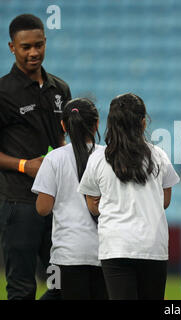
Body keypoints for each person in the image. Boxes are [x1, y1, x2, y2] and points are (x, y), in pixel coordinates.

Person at [78, 93, 180, 300]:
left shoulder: (98, 158)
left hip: (116, 247)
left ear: (111, 124)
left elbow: (92, 205)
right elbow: (165, 201)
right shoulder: (158, 155)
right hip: (153, 246)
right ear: (143, 123)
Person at [0, 14, 71, 300]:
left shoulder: (60, 89)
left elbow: (62, 140)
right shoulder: (3, 92)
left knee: (66, 282)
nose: (33, 52)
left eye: (39, 45)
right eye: (25, 46)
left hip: (55, 202)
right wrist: (23, 165)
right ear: (11, 47)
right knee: (21, 288)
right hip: (19, 203)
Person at [31, 98, 108, 300]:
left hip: (68, 253)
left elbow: (43, 208)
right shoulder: (108, 156)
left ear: (63, 125)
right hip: (106, 252)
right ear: (97, 123)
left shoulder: (54, 158)